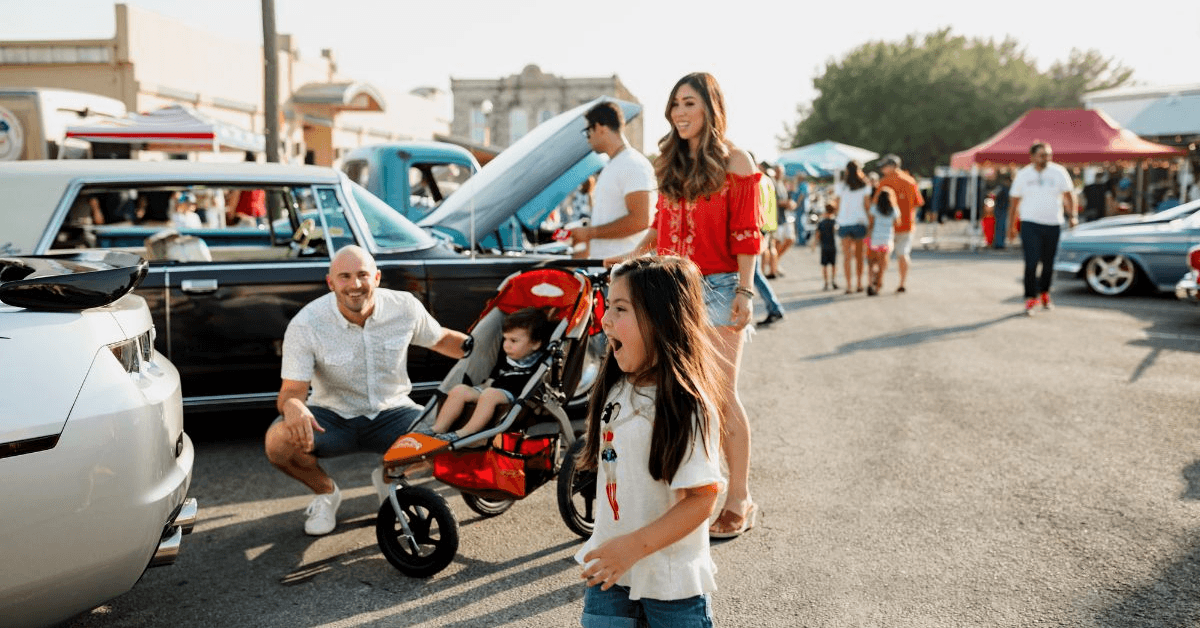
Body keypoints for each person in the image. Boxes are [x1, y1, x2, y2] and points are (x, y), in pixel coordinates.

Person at [608, 72, 760, 540]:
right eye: (674, 104)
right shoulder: (667, 163)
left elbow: (747, 233)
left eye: (689, 103)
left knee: (718, 393)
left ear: (710, 108)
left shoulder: (736, 161)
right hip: (671, 287)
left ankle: (739, 499)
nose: (679, 113)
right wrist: (627, 259)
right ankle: (690, 492)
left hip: (719, 285)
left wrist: (746, 291)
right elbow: (661, 228)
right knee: (674, 390)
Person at [263, 245, 470, 536]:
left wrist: (491, 351)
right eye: (344, 277)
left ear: (377, 277)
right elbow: (291, 392)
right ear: (330, 282)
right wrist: (294, 406)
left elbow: (443, 340)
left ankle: (389, 480)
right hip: (331, 418)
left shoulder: (404, 307)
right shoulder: (307, 323)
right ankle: (326, 493)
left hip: (393, 411)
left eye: (362, 275)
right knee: (277, 441)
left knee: (454, 437)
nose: (355, 285)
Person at [575, 256, 724, 628]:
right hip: (610, 572)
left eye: (620, 309)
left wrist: (632, 548)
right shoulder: (616, 387)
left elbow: (702, 498)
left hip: (671, 585)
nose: (606, 320)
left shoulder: (687, 405)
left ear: (662, 319)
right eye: (608, 307)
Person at [429, 307, 551, 441]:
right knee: (459, 390)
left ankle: (465, 433)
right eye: (505, 339)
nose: (506, 345)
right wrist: (485, 384)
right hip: (493, 389)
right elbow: (495, 374)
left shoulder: (541, 361)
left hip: (516, 395)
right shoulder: (505, 355)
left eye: (513, 340)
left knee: (490, 394)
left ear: (535, 344)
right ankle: (438, 428)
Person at [569, 101, 656, 260]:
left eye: (588, 131)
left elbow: (640, 220)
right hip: (610, 269)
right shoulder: (613, 164)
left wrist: (589, 233)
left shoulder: (632, 164)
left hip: (627, 271)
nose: (587, 139)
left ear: (601, 128)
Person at [1008, 142, 1077, 316]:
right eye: (1042, 155)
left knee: (1049, 264)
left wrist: (1073, 215)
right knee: (1031, 263)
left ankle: (1044, 293)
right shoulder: (1023, 175)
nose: (1046, 158)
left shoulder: (1058, 172)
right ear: (1032, 156)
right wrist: (1011, 226)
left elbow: (1069, 195)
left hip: (1053, 223)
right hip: (1030, 224)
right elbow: (1014, 202)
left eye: (1048, 155)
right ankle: (1030, 298)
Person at [873, 155, 924, 292]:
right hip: (907, 224)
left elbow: (875, 204)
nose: (882, 169)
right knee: (903, 254)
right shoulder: (910, 181)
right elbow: (918, 203)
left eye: (884, 166)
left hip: (887, 226)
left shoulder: (884, 182)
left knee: (884, 255)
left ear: (892, 166)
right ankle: (902, 283)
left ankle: (879, 282)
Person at [753, 161, 786, 326]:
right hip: (765, 227)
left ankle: (774, 308)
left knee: (754, 273)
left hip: (756, 229)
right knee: (755, 273)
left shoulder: (756, 180)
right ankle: (774, 308)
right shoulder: (766, 180)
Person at [835, 160, 872, 294]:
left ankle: (849, 285)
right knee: (859, 256)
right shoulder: (865, 186)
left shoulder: (840, 186)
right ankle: (859, 283)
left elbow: (837, 205)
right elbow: (867, 206)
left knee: (846, 256)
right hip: (860, 222)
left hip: (844, 223)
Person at [866, 187, 898, 296]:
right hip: (887, 239)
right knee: (882, 264)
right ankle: (878, 285)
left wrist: (868, 235)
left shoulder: (874, 209)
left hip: (875, 238)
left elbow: (871, 223)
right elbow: (897, 223)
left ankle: (870, 283)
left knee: (872, 262)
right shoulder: (894, 210)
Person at [812, 203, 839, 290]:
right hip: (833, 246)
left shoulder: (821, 223)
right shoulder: (834, 222)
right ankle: (833, 281)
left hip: (824, 246)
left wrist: (814, 245)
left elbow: (817, 235)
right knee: (833, 265)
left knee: (824, 266)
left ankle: (826, 283)